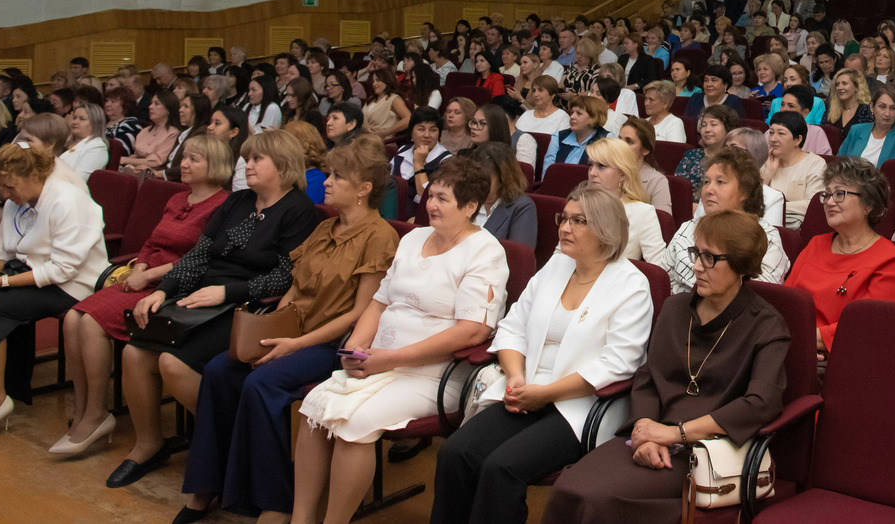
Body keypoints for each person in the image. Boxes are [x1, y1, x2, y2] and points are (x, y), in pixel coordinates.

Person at [175, 137, 398, 520]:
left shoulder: (380, 237)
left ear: (363, 189)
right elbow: (295, 286)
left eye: (338, 177)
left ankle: (274, 501)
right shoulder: (326, 227)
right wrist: (270, 329)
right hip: (294, 332)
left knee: (261, 384)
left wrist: (294, 344)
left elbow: (360, 314)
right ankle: (209, 485)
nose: (326, 182)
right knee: (218, 370)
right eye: (329, 173)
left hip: (331, 344)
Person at [293, 158, 509, 524]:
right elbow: (379, 301)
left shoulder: (486, 252)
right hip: (379, 360)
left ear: (471, 207)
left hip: (436, 374)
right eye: (430, 195)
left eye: (443, 198)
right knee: (313, 406)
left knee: (353, 423)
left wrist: (388, 359)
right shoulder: (413, 238)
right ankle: (300, 519)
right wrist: (355, 349)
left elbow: (472, 331)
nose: (432, 204)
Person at [545, 209, 790, 524]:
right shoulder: (675, 309)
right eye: (696, 254)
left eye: (710, 258)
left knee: (597, 499)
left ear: (741, 265)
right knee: (569, 486)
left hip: (708, 451)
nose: (697, 267)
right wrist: (645, 432)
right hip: (653, 434)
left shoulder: (766, 324)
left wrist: (676, 434)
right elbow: (648, 379)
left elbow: (760, 403)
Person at [109, 130, 322, 488]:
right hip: (202, 297)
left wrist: (225, 292)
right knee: (135, 353)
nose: (248, 165)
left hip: (251, 308)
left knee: (171, 362)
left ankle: (225, 444)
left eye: (257, 159)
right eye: (247, 158)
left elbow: (286, 278)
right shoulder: (238, 201)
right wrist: (163, 292)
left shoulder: (299, 210)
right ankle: (149, 445)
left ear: (283, 166)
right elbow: (200, 255)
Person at [431, 184, 653, 524]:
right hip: (525, 388)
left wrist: (544, 394)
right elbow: (511, 327)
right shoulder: (556, 266)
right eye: (563, 218)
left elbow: (618, 363)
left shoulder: (631, 285)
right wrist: (517, 377)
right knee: (455, 453)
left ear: (606, 229)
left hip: (579, 406)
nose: (564, 227)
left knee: (500, 469)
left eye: (579, 221)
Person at [54, 135, 231, 456]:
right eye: (185, 157)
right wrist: (140, 268)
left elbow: (200, 260)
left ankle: (96, 413)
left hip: (175, 286)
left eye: (194, 159)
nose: (184, 164)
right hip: (144, 278)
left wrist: (148, 276)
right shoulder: (178, 199)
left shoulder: (222, 206)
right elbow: (152, 242)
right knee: (71, 318)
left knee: (91, 322)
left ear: (216, 166)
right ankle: (83, 409)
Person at [0, 142, 108, 445]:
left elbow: (63, 270)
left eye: (9, 187)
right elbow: (7, 250)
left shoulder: (68, 200)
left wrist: (1, 283)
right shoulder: (17, 198)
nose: (5, 195)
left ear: (33, 175)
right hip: (29, 274)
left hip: (72, 285)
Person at [784, 157, 895, 372]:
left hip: (841, 364)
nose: (830, 201)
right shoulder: (816, 244)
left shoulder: (890, 260)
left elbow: (866, 329)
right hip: (790, 349)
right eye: (827, 195)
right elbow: (786, 305)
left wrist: (798, 340)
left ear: (869, 204)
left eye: (840, 194)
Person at [665, 146, 788, 293]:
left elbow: (761, 295)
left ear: (745, 191)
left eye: (720, 182)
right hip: (681, 310)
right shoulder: (688, 228)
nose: (709, 190)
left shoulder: (766, 238)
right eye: (706, 182)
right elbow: (662, 283)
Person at [584, 137, 669, 267]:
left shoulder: (642, 213)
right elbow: (561, 255)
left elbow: (659, 269)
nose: (592, 173)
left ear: (623, 174)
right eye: (590, 165)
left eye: (601, 166)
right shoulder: (579, 206)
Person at [459, 142, 538, 250]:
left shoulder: (522, 207)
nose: (477, 184)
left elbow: (518, 257)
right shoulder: (465, 200)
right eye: (474, 178)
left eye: (484, 180)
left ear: (503, 179)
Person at [760, 110, 827, 229]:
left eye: (781, 133)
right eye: (771, 133)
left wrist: (775, 206)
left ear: (798, 140)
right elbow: (752, 201)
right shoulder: (768, 161)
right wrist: (768, 174)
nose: (773, 139)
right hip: (764, 225)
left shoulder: (815, 163)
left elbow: (812, 205)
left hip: (797, 229)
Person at [388, 107, 451, 220]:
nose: (427, 135)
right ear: (411, 132)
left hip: (421, 220)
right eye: (421, 129)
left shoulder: (446, 161)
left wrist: (418, 164)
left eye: (433, 130)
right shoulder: (402, 151)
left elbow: (426, 198)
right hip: (391, 214)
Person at [837, 86, 895, 166]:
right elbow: (839, 163)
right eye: (882, 106)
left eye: (893, 108)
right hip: (851, 177)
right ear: (872, 107)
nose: (887, 113)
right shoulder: (856, 130)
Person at [542, 94, 609, 176]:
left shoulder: (606, 139)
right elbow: (547, 174)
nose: (572, 116)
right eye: (572, 112)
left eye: (579, 113)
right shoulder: (558, 137)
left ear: (593, 117)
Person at [62, 102, 111, 181]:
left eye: (82, 119)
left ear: (95, 123)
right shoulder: (66, 141)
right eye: (74, 118)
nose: (75, 122)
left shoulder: (97, 148)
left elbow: (78, 180)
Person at [363, 68, 412, 142]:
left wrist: (386, 131)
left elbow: (408, 119)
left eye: (377, 80)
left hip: (383, 143)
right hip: (365, 139)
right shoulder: (371, 98)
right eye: (373, 81)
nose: (374, 84)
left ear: (387, 81)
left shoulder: (394, 99)